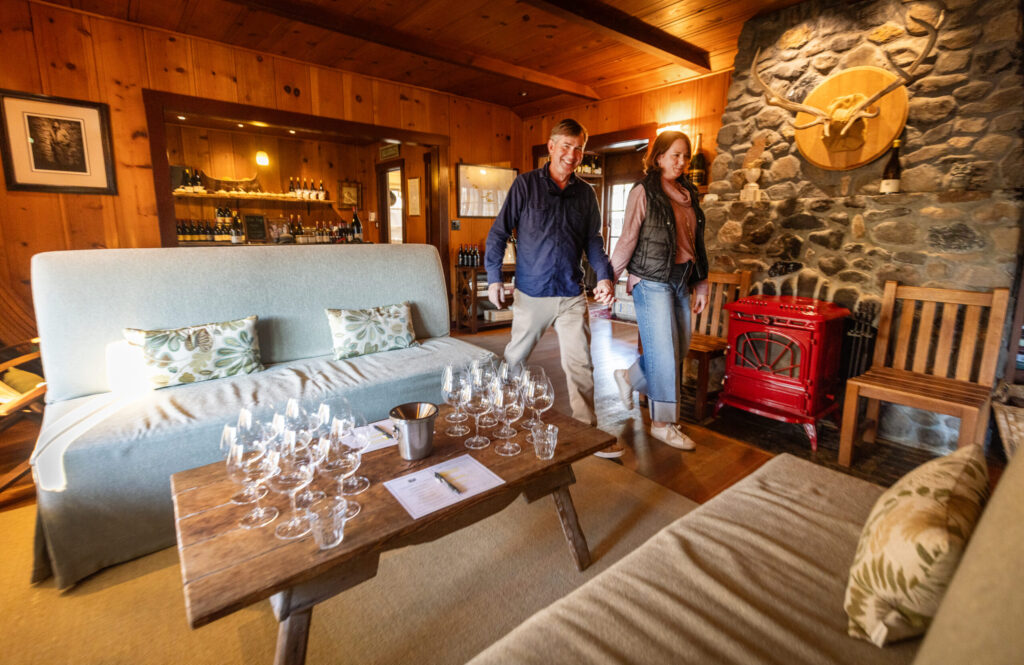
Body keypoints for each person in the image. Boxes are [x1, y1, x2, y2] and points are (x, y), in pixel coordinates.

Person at [484, 119, 621, 457]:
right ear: (551, 146)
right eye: (566, 146)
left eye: (579, 149)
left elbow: (593, 241)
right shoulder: (525, 185)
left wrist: (604, 276)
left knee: (581, 365)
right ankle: (501, 419)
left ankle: (586, 434)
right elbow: (499, 233)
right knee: (514, 360)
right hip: (531, 294)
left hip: (572, 294)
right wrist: (493, 277)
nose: (572, 155)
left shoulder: (586, 194)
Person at [608, 131, 709, 451]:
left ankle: (629, 377)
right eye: (674, 155)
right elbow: (627, 238)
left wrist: (702, 283)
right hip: (651, 280)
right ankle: (663, 424)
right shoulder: (643, 190)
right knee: (664, 354)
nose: (680, 162)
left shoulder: (688, 192)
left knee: (677, 350)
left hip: (681, 279)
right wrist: (607, 278)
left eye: (685, 156)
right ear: (659, 157)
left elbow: (697, 244)